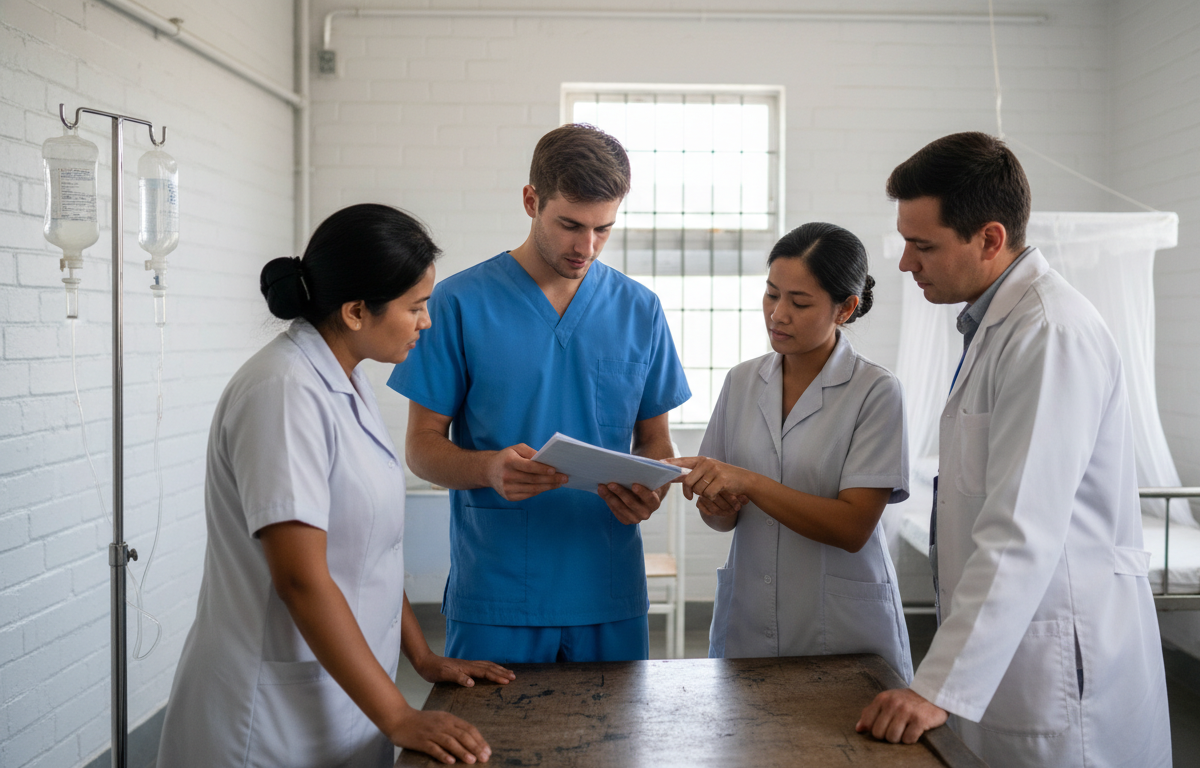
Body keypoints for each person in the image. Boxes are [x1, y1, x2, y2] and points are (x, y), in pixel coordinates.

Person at [158, 204, 514, 768]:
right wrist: (399, 714)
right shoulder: (282, 392)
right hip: (267, 719)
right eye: (416, 307)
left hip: (343, 697)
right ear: (354, 311)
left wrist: (421, 657)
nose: (427, 322)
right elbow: (301, 577)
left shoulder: (346, 380)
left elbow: (372, 549)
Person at [855, 132, 1171, 766]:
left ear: (990, 239)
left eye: (923, 246)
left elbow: (1021, 526)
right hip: (1017, 656)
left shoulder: (1049, 333)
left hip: (1055, 661)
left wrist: (934, 687)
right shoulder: (996, 325)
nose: (904, 265)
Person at [389, 124, 691, 664]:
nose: (587, 247)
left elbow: (656, 444)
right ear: (531, 201)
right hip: (498, 596)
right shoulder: (458, 303)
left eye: (604, 229)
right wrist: (488, 470)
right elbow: (422, 448)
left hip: (609, 590)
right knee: (497, 748)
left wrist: (652, 488)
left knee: (616, 748)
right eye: (571, 225)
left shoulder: (639, 309)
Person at [666, 222, 914, 681]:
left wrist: (751, 483)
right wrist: (716, 502)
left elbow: (853, 526)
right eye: (771, 294)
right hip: (749, 619)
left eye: (799, 303)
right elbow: (720, 519)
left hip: (840, 627)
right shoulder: (742, 382)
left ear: (846, 308)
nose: (778, 314)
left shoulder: (875, 392)